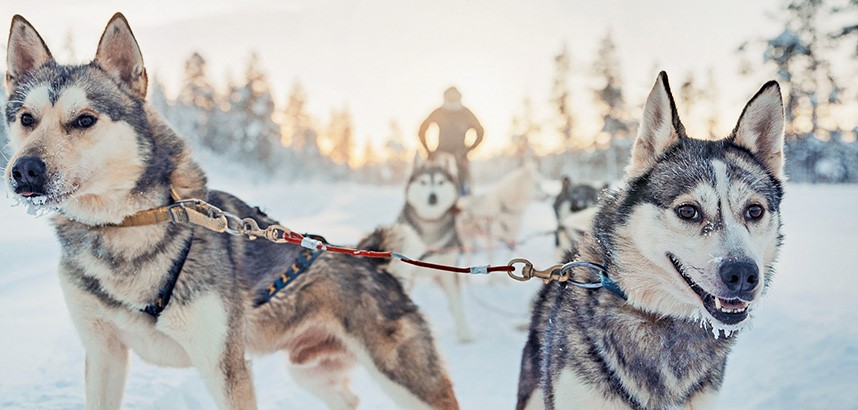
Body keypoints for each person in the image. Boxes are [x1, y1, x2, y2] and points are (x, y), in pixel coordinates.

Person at [418, 86, 484, 195]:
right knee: (436, 187)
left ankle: (463, 205)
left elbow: (480, 132)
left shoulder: (465, 113)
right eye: (449, 97)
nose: (452, 99)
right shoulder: (439, 112)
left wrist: (467, 151)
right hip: (440, 156)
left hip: (460, 157)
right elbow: (422, 130)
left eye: (454, 96)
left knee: (463, 190)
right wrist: (429, 151)